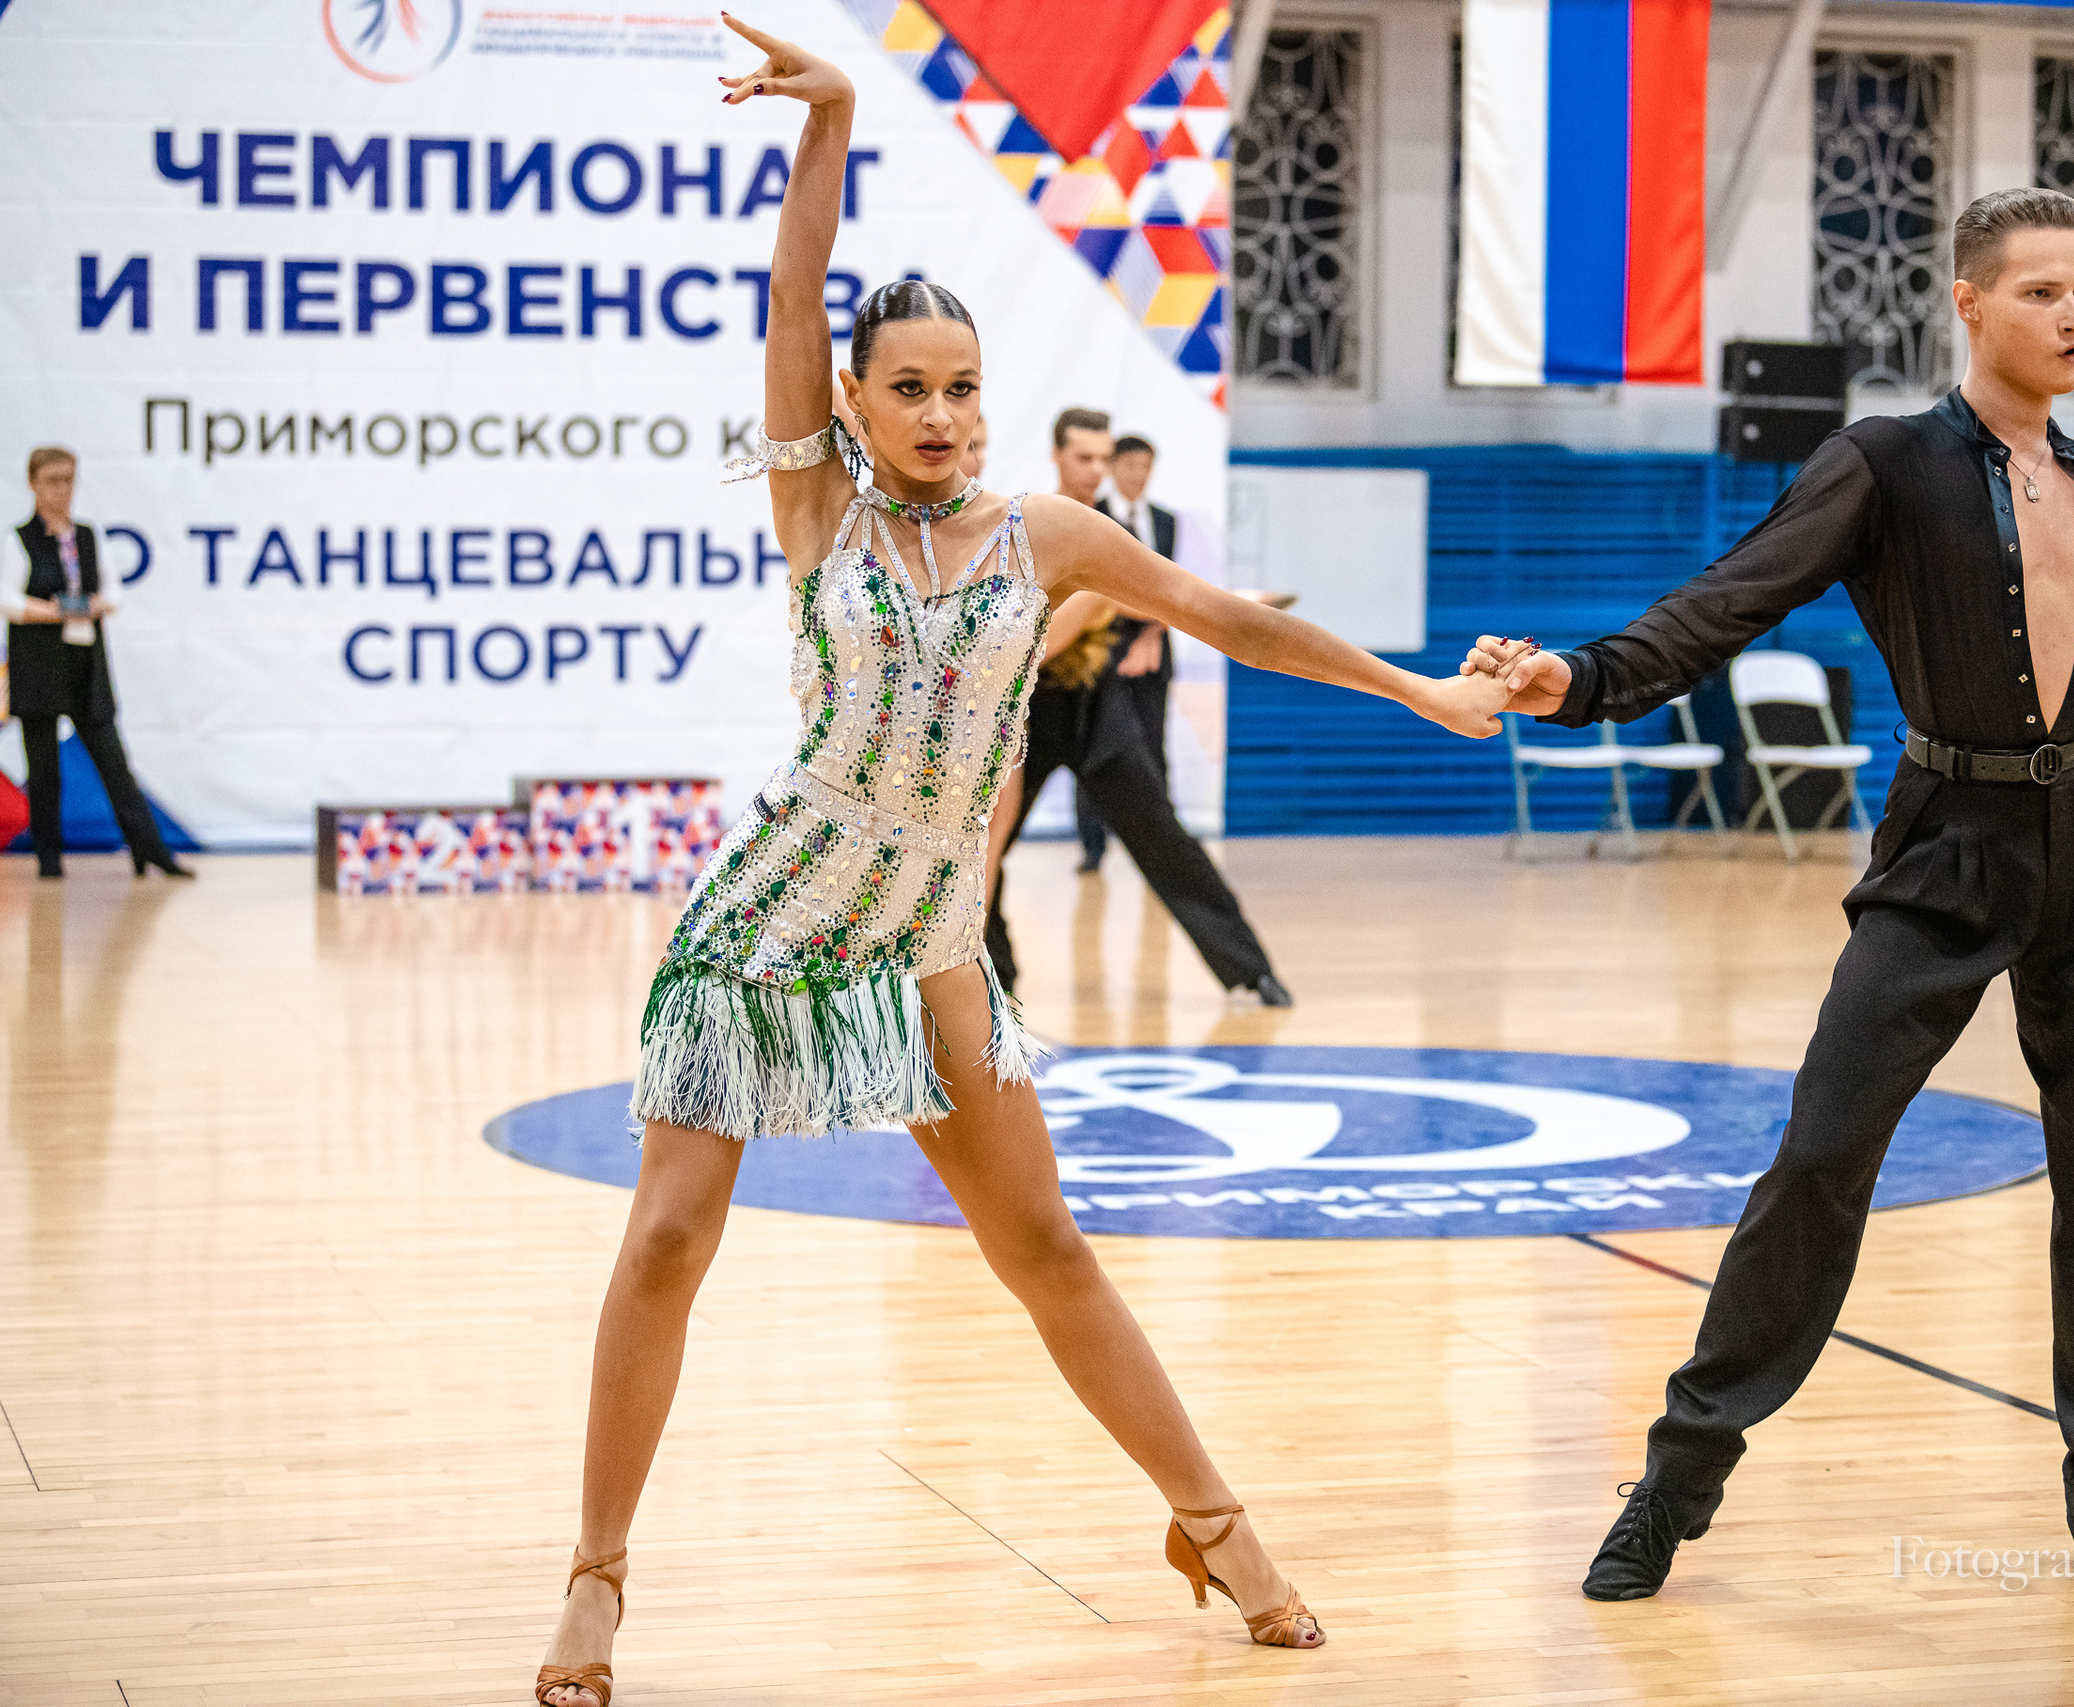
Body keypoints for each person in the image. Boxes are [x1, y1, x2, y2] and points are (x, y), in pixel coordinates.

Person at [531, 22, 1509, 1705]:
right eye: (905, 386)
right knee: (672, 1242)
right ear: (852, 401)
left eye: (963, 385)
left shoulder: (1045, 538)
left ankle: (1211, 1517)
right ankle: (596, 1577)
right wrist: (834, 114)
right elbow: (791, 296)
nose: (939, 412)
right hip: (770, 927)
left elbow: (1237, 619)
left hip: (926, 951)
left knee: (1043, 1244)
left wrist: (1417, 688)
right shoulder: (818, 514)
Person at [1469, 186, 2074, 1604]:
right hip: (1947, 837)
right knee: (1821, 1152)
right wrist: (1580, 678)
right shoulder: (1882, 462)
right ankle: (1678, 1476)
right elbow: (1733, 596)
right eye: (2040, 291)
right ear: (1969, 301)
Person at [978, 412, 1295, 1008]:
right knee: (980, 849)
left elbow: (1161, 596)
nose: (1097, 470)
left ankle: (1250, 969)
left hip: (1099, 709)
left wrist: (1229, 609)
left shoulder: (1114, 530)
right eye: (1085, 459)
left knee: (1163, 836)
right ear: (1058, 458)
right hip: (1025, 714)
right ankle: (997, 984)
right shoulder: (1023, 526)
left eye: (1103, 458)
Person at [0, 447, 190, 881]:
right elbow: (6, 599)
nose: (62, 489)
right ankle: (49, 857)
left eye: (68, 479)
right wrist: (55, 611)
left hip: (85, 665)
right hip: (40, 666)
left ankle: (149, 848)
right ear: (33, 484)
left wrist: (96, 605)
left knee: (114, 764)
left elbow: (114, 592)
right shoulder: (20, 539)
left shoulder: (86, 535)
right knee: (43, 771)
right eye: (52, 480)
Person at [1079, 432, 1176, 871]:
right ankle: (1093, 848)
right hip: (1102, 651)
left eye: (1146, 466)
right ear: (1114, 467)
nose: (1138, 475)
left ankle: (1159, 848)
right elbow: (1091, 588)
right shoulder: (1091, 517)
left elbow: (1176, 589)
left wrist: (1152, 633)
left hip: (1154, 651)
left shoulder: (1166, 520)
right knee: (1093, 748)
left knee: (1154, 749)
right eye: (1130, 465)